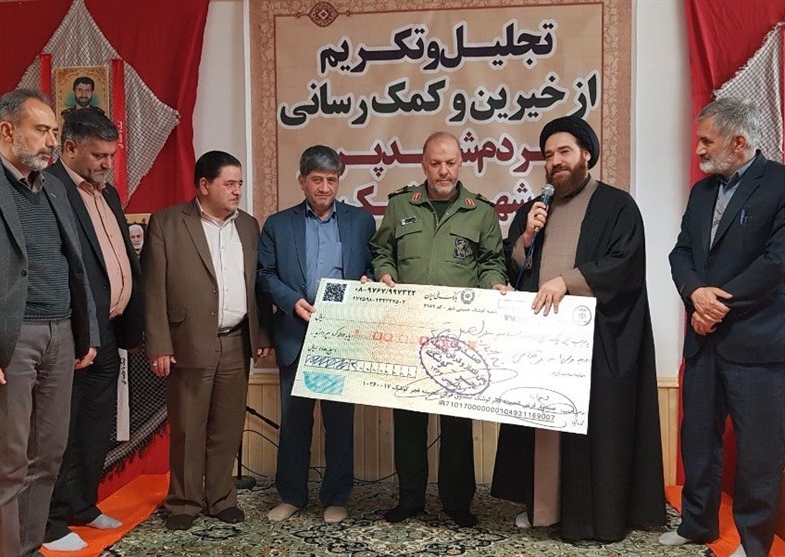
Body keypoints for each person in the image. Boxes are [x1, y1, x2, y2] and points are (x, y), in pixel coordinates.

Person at [490, 115, 665, 542]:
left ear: (587, 153)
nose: (556, 161)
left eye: (564, 151)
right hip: (540, 344)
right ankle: (544, 509)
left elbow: (624, 264)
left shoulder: (617, 206)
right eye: (549, 155)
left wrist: (565, 281)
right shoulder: (533, 210)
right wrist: (526, 239)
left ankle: (592, 518)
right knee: (542, 426)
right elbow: (512, 268)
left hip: (595, 342)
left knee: (592, 431)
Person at [664, 98, 785, 557]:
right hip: (703, 342)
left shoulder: (780, 184)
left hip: (758, 345)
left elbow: (776, 263)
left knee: (758, 454)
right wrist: (695, 293)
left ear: (738, 142)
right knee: (697, 442)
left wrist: (716, 305)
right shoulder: (701, 192)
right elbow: (681, 253)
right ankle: (697, 525)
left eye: (705, 141)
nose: (697, 149)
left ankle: (753, 545)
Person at [370, 131, 509, 527]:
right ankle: (409, 499)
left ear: (461, 164)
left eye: (450, 163)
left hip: (459, 337)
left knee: (457, 423)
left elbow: (491, 262)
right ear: (424, 165)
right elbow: (381, 250)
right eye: (435, 163)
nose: (443, 171)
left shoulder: (480, 212)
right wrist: (384, 272)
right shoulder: (400, 205)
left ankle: (457, 503)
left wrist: (494, 284)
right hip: (408, 330)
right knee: (408, 421)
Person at [0, 89, 98, 557]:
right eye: (42, 130)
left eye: (55, 131)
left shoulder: (53, 187)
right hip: (8, 342)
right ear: (7, 130)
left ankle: (29, 549)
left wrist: (86, 332)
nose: (52, 141)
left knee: (48, 458)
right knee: (5, 467)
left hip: (61, 334)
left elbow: (75, 265)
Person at [143, 150, 271, 531]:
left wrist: (262, 333)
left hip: (236, 340)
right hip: (187, 341)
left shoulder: (248, 225)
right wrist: (159, 345)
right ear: (204, 185)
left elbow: (258, 286)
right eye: (229, 184)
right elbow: (153, 289)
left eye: (239, 183)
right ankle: (184, 502)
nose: (237, 191)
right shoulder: (167, 223)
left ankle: (220, 497)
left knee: (227, 427)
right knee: (188, 427)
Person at [43, 109, 144, 552]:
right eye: (98, 155)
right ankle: (49, 522)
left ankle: (82, 505)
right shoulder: (49, 189)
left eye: (111, 155)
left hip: (110, 327)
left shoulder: (109, 193)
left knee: (95, 426)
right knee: (60, 431)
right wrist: (82, 329)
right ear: (68, 148)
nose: (107, 163)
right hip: (73, 331)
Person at [257, 145, 375, 523]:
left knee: (339, 423)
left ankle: (336, 497)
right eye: (317, 180)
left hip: (341, 335)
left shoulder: (361, 222)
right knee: (295, 422)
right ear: (302, 181)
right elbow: (264, 275)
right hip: (296, 332)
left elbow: (373, 267)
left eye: (331, 180)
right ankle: (292, 496)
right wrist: (292, 302)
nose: (325, 188)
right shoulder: (278, 225)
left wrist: (369, 281)